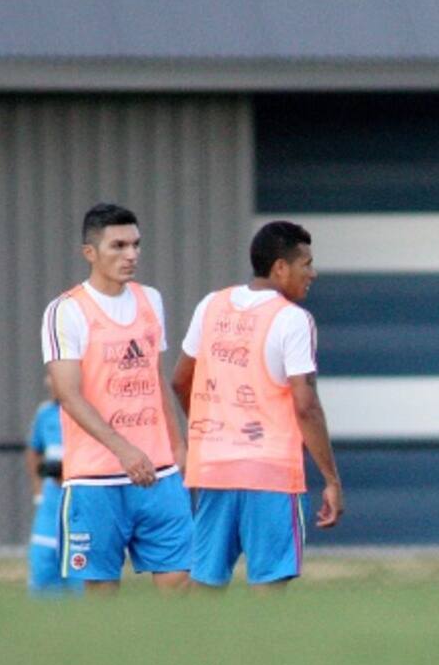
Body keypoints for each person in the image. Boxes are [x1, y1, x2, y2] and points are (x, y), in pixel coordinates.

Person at [171, 220, 343, 589]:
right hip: (271, 476)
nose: (312, 273)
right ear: (280, 267)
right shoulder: (293, 320)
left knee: (204, 587)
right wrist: (331, 479)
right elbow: (305, 405)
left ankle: (185, 647)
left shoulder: (211, 306)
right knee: (269, 588)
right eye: (306, 264)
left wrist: (209, 430)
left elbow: (179, 379)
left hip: (214, 469)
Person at [41, 203, 192, 592]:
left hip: (159, 475)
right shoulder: (66, 311)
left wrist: (179, 446)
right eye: (119, 246)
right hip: (96, 481)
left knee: (181, 586)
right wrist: (123, 450)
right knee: (102, 595)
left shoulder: (150, 300)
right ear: (90, 253)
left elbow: (155, 377)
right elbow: (69, 396)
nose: (131, 255)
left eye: (136, 245)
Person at [24, 373, 81, 594]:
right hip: (51, 500)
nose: (49, 381)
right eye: (49, 376)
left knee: (79, 564)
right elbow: (34, 450)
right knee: (43, 560)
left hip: (80, 501)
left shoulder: (87, 413)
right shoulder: (45, 413)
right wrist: (38, 489)